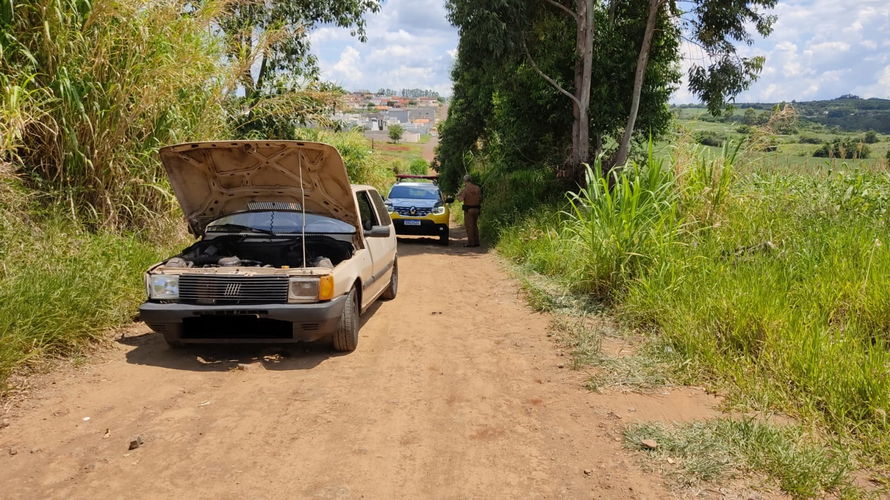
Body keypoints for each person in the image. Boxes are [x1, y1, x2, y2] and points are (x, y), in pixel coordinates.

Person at [457, 174, 482, 247]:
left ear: (465, 181)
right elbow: (480, 199)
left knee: (469, 226)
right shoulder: (477, 188)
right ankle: (476, 241)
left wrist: (458, 195)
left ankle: (471, 242)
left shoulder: (465, 189)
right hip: (477, 209)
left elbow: (460, 199)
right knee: (475, 225)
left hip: (469, 210)